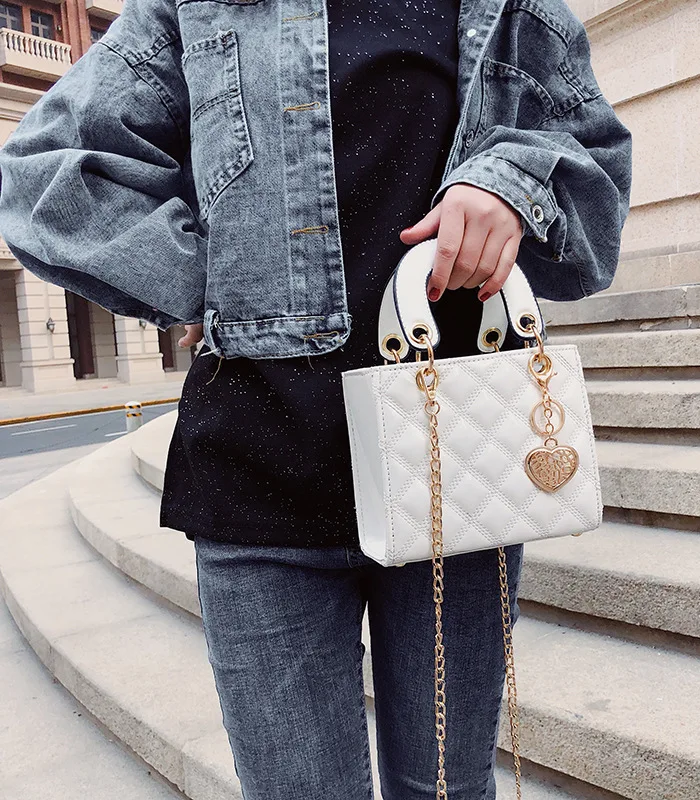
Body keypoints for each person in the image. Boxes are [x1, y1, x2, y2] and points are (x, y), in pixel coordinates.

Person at [0, 0, 633, 796]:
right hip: (259, 479)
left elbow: (597, 188)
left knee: (447, 788)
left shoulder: (512, 12)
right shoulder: (195, 10)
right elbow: (47, 170)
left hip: (456, 477)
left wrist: (512, 187)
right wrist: (216, 281)